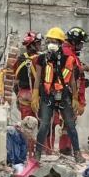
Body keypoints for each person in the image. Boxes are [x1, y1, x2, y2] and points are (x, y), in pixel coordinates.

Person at [35, 27, 83, 159]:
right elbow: (38, 78)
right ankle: (38, 152)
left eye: (54, 41)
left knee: (70, 124)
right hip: (48, 95)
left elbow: (72, 80)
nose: (51, 43)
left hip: (63, 95)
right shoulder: (42, 59)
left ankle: (77, 153)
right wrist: (35, 94)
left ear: (61, 43)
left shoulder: (68, 59)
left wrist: (75, 97)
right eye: (49, 41)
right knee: (44, 124)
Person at [59, 26, 89, 154]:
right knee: (67, 123)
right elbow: (67, 73)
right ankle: (65, 149)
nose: (82, 46)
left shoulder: (70, 53)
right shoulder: (66, 53)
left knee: (68, 123)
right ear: (74, 41)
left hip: (71, 94)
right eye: (81, 43)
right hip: (66, 94)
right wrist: (82, 69)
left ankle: (66, 148)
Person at [12, 32, 41, 119]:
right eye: (38, 43)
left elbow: (15, 77)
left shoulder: (20, 59)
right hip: (37, 95)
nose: (40, 45)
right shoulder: (39, 59)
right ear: (32, 45)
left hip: (23, 96)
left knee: (27, 125)